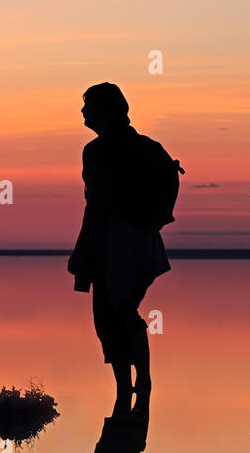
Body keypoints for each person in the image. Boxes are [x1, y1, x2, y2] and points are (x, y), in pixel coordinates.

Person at [68, 83, 177, 414]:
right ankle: (134, 385)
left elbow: (96, 205)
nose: (83, 112)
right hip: (136, 243)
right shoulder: (146, 147)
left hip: (118, 244)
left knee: (114, 314)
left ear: (106, 110)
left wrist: (82, 251)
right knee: (117, 313)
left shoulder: (99, 151)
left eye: (88, 106)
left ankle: (133, 384)